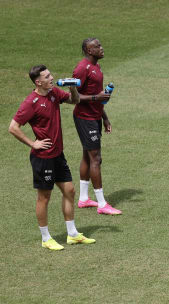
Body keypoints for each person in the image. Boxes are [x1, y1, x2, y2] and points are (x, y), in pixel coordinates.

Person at [8, 65, 96, 250]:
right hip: (43, 157)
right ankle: (46, 238)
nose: (51, 78)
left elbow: (75, 100)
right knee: (44, 197)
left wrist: (72, 86)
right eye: (47, 76)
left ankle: (72, 234)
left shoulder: (54, 92)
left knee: (70, 190)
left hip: (58, 154)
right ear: (38, 82)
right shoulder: (31, 103)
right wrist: (33, 144)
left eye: (50, 75)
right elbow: (13, 127)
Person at [72, 38, 121, 215]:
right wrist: (95, 99)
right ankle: (102, 204)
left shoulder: (96, 68)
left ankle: (84, 199)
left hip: (94, 117)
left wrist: (105, 117)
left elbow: (97, 95)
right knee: (96, 158)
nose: (101, 48)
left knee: (87, 155)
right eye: (97, 46)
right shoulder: (81, 69)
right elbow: (74, 97)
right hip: (84, 118)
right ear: (88, 50)